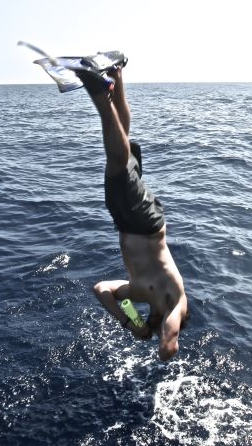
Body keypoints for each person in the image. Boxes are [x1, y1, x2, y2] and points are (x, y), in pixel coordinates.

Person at [74, 63, 189, 362]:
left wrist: (130, 322)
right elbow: (168, 348)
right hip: (145, 223)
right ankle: (101, 95)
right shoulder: (174, 301)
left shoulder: (137, 295)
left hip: (127, 221)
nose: (152, 326)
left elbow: (102, 289)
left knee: (120, 149)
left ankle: (116, 77)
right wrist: (153, 332)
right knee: (116, 163)